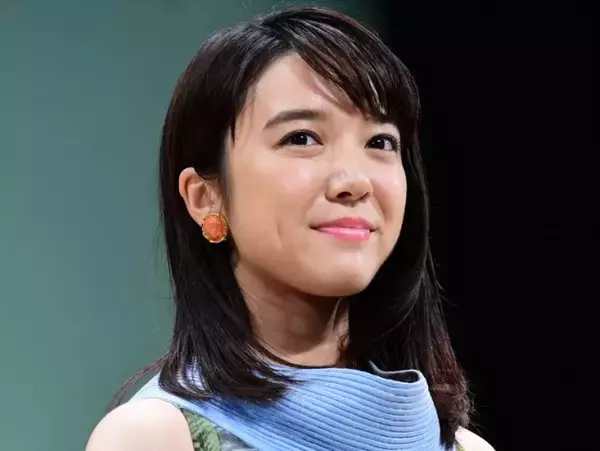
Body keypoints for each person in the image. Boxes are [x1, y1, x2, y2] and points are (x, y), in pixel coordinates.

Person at [86, 6, 494, 451]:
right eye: (301, 138)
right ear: (205, 197)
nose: (354, 181)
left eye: (380, 142)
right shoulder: (154, 438)